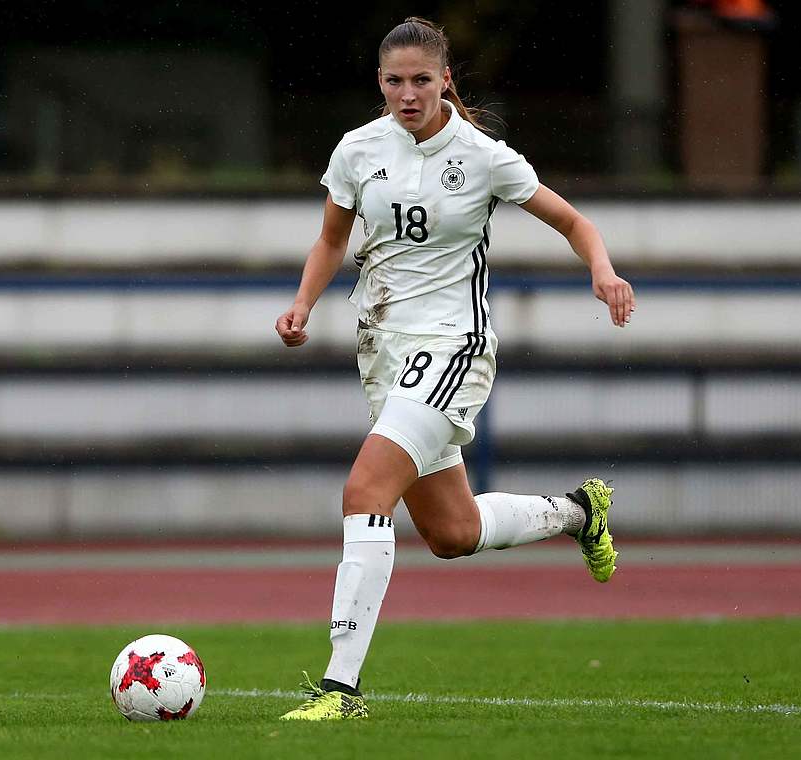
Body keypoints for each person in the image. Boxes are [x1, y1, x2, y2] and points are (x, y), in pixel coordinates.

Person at [273, 17, 636, 721]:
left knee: (364, 488)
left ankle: (339, 689)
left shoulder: (482, 156)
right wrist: (302, 303)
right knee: (452, 534)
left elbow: (573, 222)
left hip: (452, 348)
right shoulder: (358, 150)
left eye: (420, 80)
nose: (407, 94)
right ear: (379, 84)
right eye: (393, 81)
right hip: (382, 351)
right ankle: (577, 511)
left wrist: (603, 270)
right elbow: (330, 237)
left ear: (446, 81)